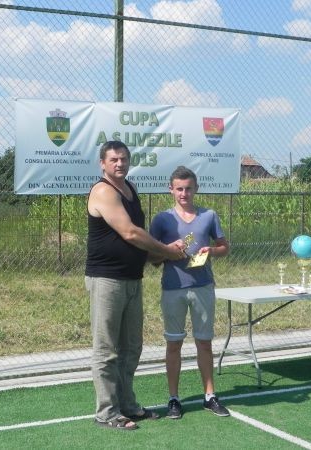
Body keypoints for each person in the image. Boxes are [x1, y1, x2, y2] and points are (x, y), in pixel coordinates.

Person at [85, 141, 187, 431]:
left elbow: (138, 238)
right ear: (102, 164)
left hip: (132, 279)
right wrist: (167, 251)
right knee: (106, 349)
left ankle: (127, 405)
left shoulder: (130, 189)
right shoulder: (103, 191)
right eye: (113, 159)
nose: (120, 163)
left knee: (131, 347)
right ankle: (107, 412)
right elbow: (130, 233)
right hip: (107, 280)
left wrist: (159, 256)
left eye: (124, 159)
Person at [149, 166, 231, 419]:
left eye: (188, 188)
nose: (184, 193)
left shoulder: (209, 215)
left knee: (204, 342)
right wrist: (167, 250)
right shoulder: (162, 219)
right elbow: (151, 258)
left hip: (203, 286)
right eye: (179, 189)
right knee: (174, 344)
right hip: (173, 289)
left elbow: (224, 247)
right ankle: (174, 399)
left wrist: (210, 251)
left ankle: (209, 396)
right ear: (171, 190)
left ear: (196, 189)